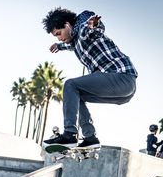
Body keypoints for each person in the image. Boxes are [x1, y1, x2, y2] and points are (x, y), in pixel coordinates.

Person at [41, 8, 137, 149]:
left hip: (121, 76)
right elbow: (71, 45)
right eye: (56, 37)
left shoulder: (83, 25)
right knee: (75, 95)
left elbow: (90, 32)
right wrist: (59, 46)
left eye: (59, 34)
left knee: (70, 85)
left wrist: (94, 26)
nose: (59, 38)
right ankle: (90, 137)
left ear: (68, 25)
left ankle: (70, 134)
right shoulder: (74, 41)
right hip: (122, 92)